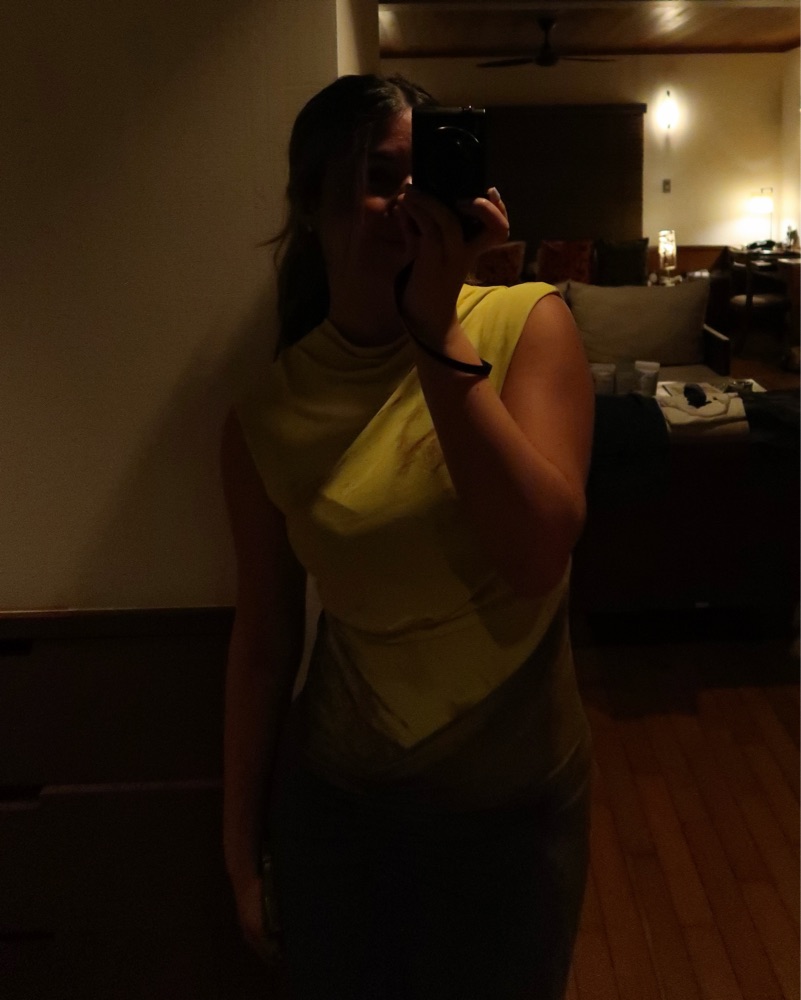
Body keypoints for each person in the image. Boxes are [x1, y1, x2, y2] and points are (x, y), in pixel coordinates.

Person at [221, 73, 595, 1000]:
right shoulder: (266, 414)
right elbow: (264, 643)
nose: (405, 203)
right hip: (342, 806)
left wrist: (435, 326)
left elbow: (535, 556)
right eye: (378, 178)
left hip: (515, 804)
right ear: (311, 205)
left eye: (422, 178)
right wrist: (237, 849)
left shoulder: (528, 323)